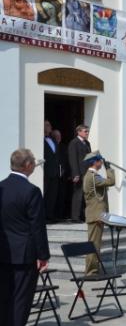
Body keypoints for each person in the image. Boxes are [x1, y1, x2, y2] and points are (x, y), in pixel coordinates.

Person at [0, 149, 50, 326]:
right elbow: (37, 227)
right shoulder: (31, 191)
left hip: (4, 251)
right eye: (34, 162)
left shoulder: (1, 187)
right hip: (24, 255)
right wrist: (43, 255)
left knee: (4, 297)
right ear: (27, 165)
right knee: (21, 300)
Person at [82, 151, 115, 275]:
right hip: (96, 215)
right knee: (94, 245)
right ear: (95, 162)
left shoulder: (92, 175)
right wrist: (109, 169)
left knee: (95, 244)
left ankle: (93, 269)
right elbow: (111, 181)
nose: (101, 162)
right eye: (100, 160)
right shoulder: (93, 176)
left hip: (95, 215)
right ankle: (91, 271)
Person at [68, 124, 91, 222]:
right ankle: (75, 217)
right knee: (78, 195)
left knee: (86, 195)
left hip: (87, 172)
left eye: (87, 131)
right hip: (79, 173)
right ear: (79, 132)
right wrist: (75, 174)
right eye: (85, 131)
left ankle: (83, 215)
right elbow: (72, 159)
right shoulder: (74, 143)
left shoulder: (87, 143)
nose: (87, 133)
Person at [43, 120, 60, 223]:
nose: (50, 127)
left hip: (54, 172)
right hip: (45, 172)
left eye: (49, 125)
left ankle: (50, 215)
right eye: (47, 125)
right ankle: (43, 216)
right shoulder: (40, 139)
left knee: (52, 195)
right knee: (44, 194)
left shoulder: (53, 140)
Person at [51, 129, 70, 221]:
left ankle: (60, 215)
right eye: (56, 136)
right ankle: (53, 215)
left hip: (63, 175)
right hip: (53, 175)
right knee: (53, 196)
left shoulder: (63, 147)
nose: (58, 138)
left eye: (59, 136)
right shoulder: (51, 146)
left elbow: (67, 160)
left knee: (62, 195)